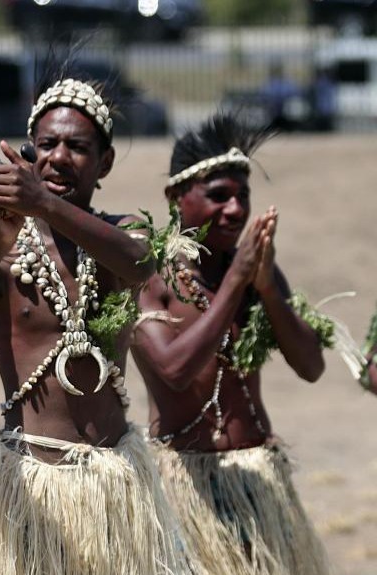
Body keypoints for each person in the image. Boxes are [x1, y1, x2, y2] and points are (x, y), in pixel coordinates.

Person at [0, 72, 197, 574]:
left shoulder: (122, 235)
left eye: (78, 147)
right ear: (30, 151)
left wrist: (43, 203)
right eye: (48, 145)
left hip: (112, 481)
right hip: (31, 481)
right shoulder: (0, 247)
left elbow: (142, 264)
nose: (59, 157)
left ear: (105, 162)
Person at [131, 112, 331, 575]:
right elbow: (174, 371)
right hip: (186, 485)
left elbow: (311, 367)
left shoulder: (258, 271)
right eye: (219, 195)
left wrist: (265, 288)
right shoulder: (151, 277)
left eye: (243, 196)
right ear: (176, 198)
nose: (236, 209)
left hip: (259, 479)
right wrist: (237, 282)